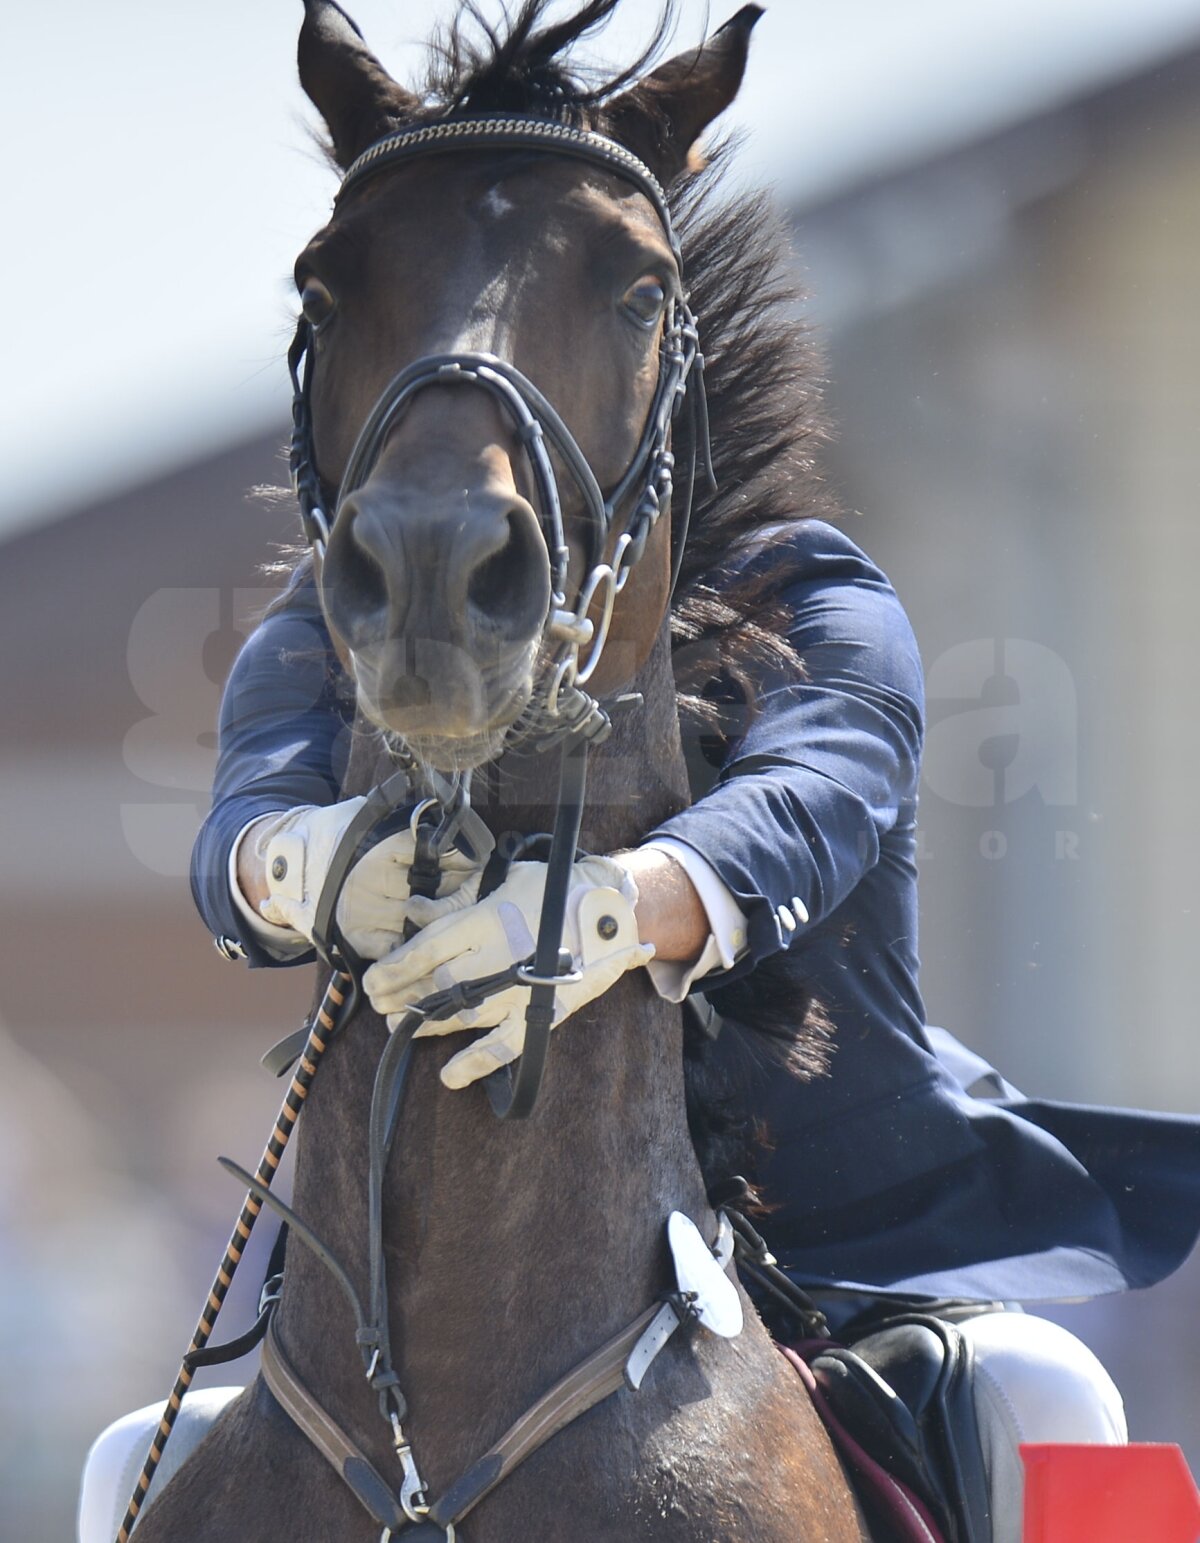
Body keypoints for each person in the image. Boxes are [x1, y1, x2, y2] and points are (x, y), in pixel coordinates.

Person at [174, 514, 1194, 1543]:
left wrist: (611, 910)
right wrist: (303, 858)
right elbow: (246, 812)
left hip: (824, 1249)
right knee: (137, 1455)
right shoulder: (340, 605)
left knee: (1045, 1390)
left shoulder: (799, 585)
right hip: (412, 1302)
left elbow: (814, 789)